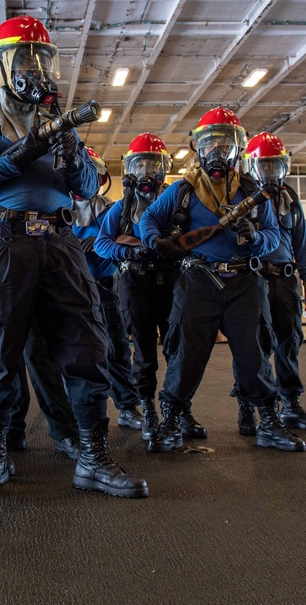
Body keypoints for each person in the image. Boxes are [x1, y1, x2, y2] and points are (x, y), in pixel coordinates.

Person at [0, 15, 147, 498]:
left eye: (42, 58)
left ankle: (93, 457)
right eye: (24, 57)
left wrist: (72, 153)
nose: (36, 67)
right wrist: (19, 153)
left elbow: (84, 190)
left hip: (60, 242)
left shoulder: (59, 124)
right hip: (3, 240)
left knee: (86, 347)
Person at [139, 107, 305, 454]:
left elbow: (274, 236)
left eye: (224, 144)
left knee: (254, 355)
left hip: (244, 282)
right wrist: (156, 241)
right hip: (197, 281)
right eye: (209, 144)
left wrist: (255, 237)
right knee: (186, 354)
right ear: (198, 148)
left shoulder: (251, 191)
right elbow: (150, 218)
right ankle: (171, 421)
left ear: (237, 148)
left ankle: (268, 423)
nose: (216, 152)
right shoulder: (182, 190)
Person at [94, 134, 206, 443]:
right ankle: (147, 408)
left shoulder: (177, 202)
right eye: (140, 164)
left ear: (164, 169)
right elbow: (102, 244)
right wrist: (128, 252)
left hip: (172, 281)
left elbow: (197, 236)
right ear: (130, 168)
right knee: (143, 352)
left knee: (177, 351)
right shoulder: (122, 208)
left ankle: (178, 410)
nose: (147, 172)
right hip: (136, 281)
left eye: (154, 165)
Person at [236, 132, 306, 435]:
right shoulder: (242, 196)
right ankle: (248, 406)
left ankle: (290, 404)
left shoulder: (290, 197)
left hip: (286, 280)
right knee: (253, 345)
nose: (271, 173)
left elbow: (301, 243)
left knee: (289, 342)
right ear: (252, 167)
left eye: (276, 166)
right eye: (265, 167)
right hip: (255, 276)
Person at [72, 147, 142, 431]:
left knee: (117, 348)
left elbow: (131, 237)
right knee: (76, 353)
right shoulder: (57, 208)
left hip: (106, 286)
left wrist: (103, 240)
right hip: (70, 290)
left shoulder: (111, 208)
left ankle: (126, 406)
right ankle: (75, 414)